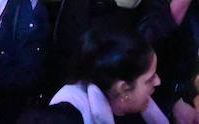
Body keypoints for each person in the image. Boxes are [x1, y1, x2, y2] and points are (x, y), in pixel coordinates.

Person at [29, 23, 166, 124]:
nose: (158, 81)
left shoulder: (140, 106)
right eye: (149, 79)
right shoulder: (65, 118)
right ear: (123, 88)